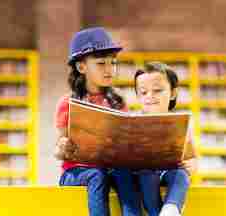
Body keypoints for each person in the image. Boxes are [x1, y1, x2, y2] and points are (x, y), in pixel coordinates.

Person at [54, 27, 142, 216]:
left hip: (110, 168)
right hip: (76, 172)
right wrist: (63, 147)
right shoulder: (67, 103)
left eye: (113, 63)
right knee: (97, 174)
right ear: (81, 67)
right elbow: (58, 149)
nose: (110, 69)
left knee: (125, 173)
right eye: (101, 63)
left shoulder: (118, 102)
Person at [133, 62, 198, 216]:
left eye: (157, 90)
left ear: (173, 93)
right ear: (137, 95)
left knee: (180, 174)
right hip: (145, 173)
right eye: (143, 92)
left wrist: (191, 165)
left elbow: (192, 158)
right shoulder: (134, 121)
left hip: (171, 171)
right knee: (146, 175)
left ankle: (171, 208)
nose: (150, 96)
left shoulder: (181, 122)